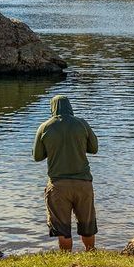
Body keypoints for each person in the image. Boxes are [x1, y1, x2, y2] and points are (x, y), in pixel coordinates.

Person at [33, 95, 98, 251]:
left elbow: (37, 157)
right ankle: (91, 254)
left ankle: (66, 258)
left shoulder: (45, 127)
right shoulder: (82, 124)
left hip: (58, 186)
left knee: (62, 228)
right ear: (70, 107)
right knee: (87, 224)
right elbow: (94, 149)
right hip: (83, 184)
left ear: (52, 108)